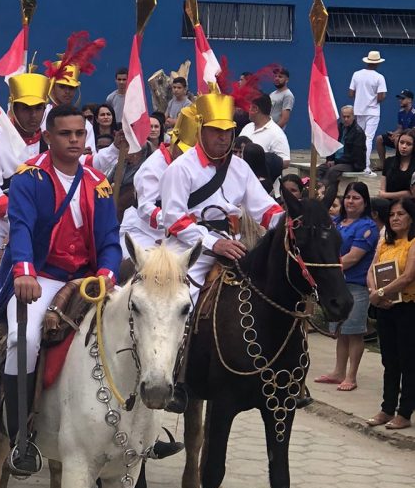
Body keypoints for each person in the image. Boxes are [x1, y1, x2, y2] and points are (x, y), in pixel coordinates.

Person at [0, 105, 122, 476]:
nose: (74, 140)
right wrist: (24, 272)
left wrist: (107, 273)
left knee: (139, 321)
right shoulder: (28, 177)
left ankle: (139, 426)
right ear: (48, 137)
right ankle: (19, 437)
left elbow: (110, 238)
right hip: (42, 276)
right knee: (24, 338)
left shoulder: (98, 182)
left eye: (79, 133)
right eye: (65, 134)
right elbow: (21, 229)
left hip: (87, 278)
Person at [0, 73, 120, 292]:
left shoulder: (54, 138)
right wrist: (28, 215)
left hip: (47, 219)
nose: (33, 115)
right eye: (25, 108)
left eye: (38, 108)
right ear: (13, 107)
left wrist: (115, 148)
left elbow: (86, 164)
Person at [160, 89, 284, 309]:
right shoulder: (180, 169)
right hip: (190, 250)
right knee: (181, 304)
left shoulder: (241, 167)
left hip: (235, 246)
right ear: (201, 130)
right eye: (216, 130)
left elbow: (265, 210)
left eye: (228, 131)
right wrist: (213, 243)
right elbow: (174, 219)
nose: (223, 136)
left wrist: (292, 222)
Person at [314, 182, 377, 392]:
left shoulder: (367, 226)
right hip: (336, 285)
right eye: (348, 197)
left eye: (356, 198)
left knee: (354, 332)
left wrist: (327, 266)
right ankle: (338, 372)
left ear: (365, 202)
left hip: (356, 285)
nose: (351, 201)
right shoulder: (335, 222)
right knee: (341, 331)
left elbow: (353, 257)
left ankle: (351, 376)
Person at [119, 106, 198, 252]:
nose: (188, 156)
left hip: (179, 231)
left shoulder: (191, 163)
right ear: (174, 141)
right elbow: (145, 208)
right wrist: (174, 221)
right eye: (185, 150)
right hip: (142, 230)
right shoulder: (152, 167)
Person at [365, 199, 415, 430]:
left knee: (408, 360)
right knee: (389, 360)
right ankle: (387, 408)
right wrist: (374, 292)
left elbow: (408, 276)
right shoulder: (386, 242)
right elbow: (371, 270)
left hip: (408, 307)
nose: (395, 218)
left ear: (411, 217)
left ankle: (404, 412)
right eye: (392, 214)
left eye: (401, 214)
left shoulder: (412, 242)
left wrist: (381, 292)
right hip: (385, 307)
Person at [349, 51, 387, 175]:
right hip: (373, 111)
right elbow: (381, 97)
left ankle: (356, 163)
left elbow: (351, 93)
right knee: (368, 138)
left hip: (359, 110)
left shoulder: (356, 74)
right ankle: (366, 166)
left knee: (358, 137)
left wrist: (361, 97)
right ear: (377, 63)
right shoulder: (379, 77)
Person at [375, 89, 415, 170]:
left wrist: (399, 136)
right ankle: (383, 165)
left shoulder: (414, 113)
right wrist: (394, 134)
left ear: (410, 100)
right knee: (379, 139)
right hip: (402, 136)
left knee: (398, 140)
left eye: (403, 98)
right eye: (400, 98)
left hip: (411, 140)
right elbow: (400, 128)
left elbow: (413, 131)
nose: (400, 100)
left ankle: (400, 165)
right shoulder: (401, 112)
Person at [322, 106, 366, 178]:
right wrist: (330, 159)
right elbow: (331, 146)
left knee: (332, 171)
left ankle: (324, 185)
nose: (346, 119)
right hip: (337, 161)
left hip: (351, 164)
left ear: (353, 117)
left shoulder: (358, 132)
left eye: (348, 117)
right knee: (320, 169)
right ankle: (314, 184)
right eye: (344, 117)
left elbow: (355, 155)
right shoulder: (338, 128)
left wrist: (336, 161)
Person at [378, 129, 415, 203]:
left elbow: (412, 194)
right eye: (401, 142)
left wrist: (386, 195)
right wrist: (384, 195)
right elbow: (382, 189)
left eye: (408, 144)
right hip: (388, 203)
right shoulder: (388, 161)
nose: (404, 146)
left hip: (409, 205)